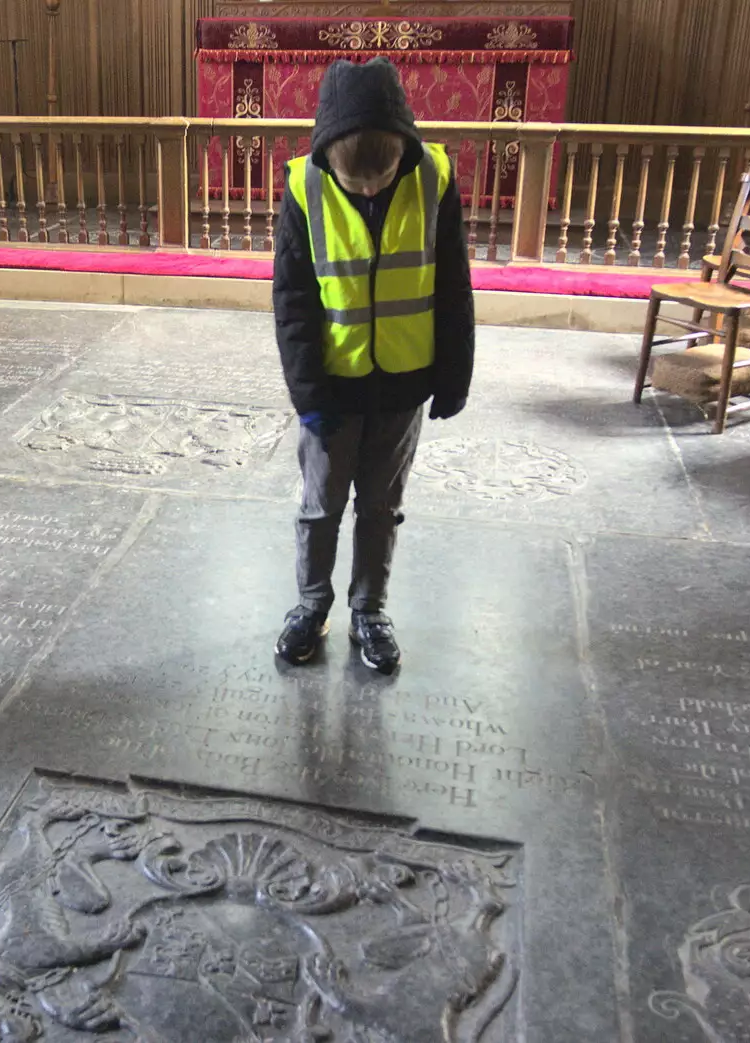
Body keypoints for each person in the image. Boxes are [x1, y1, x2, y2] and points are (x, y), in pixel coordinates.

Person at [273, 58, 475, 674]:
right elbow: (293, 300)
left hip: (402, 387)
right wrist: (307, 392)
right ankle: (311, 604)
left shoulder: (432, 179)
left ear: (403, 151)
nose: (368, 189)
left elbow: (453, 285)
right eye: (353, 179)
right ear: (327, 153)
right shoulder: (304, 187)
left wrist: (452, 376)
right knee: (320, 505)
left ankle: (370, 608)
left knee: (382, 507)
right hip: (330, 389)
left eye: (380, 175)